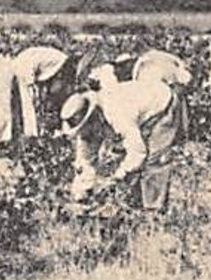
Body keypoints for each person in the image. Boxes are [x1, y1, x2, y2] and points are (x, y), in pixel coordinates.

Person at [61, 77, 183, 211]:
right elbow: (85, 162)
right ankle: (134, 205)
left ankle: (154, 212)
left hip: (162, 105)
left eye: (87, 128)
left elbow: (138, 153)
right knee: (123, 160)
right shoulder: (90, 127)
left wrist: (115, 179)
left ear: (94, 117)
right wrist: (81, 191)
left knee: (153, 163)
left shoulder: (117, 112)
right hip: (139, 113)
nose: (87, 135)